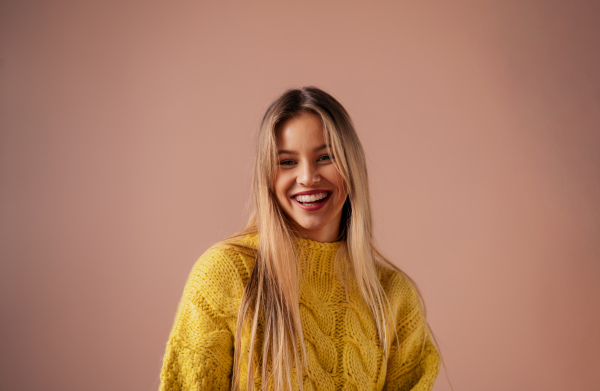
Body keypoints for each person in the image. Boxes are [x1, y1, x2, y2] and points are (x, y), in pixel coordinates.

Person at [159, 87, 440, 391]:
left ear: (351, 166)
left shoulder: (393, 297)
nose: (308, 177)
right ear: (267, 175)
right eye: (288, 162)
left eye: (325, 157)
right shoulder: (225, 275)